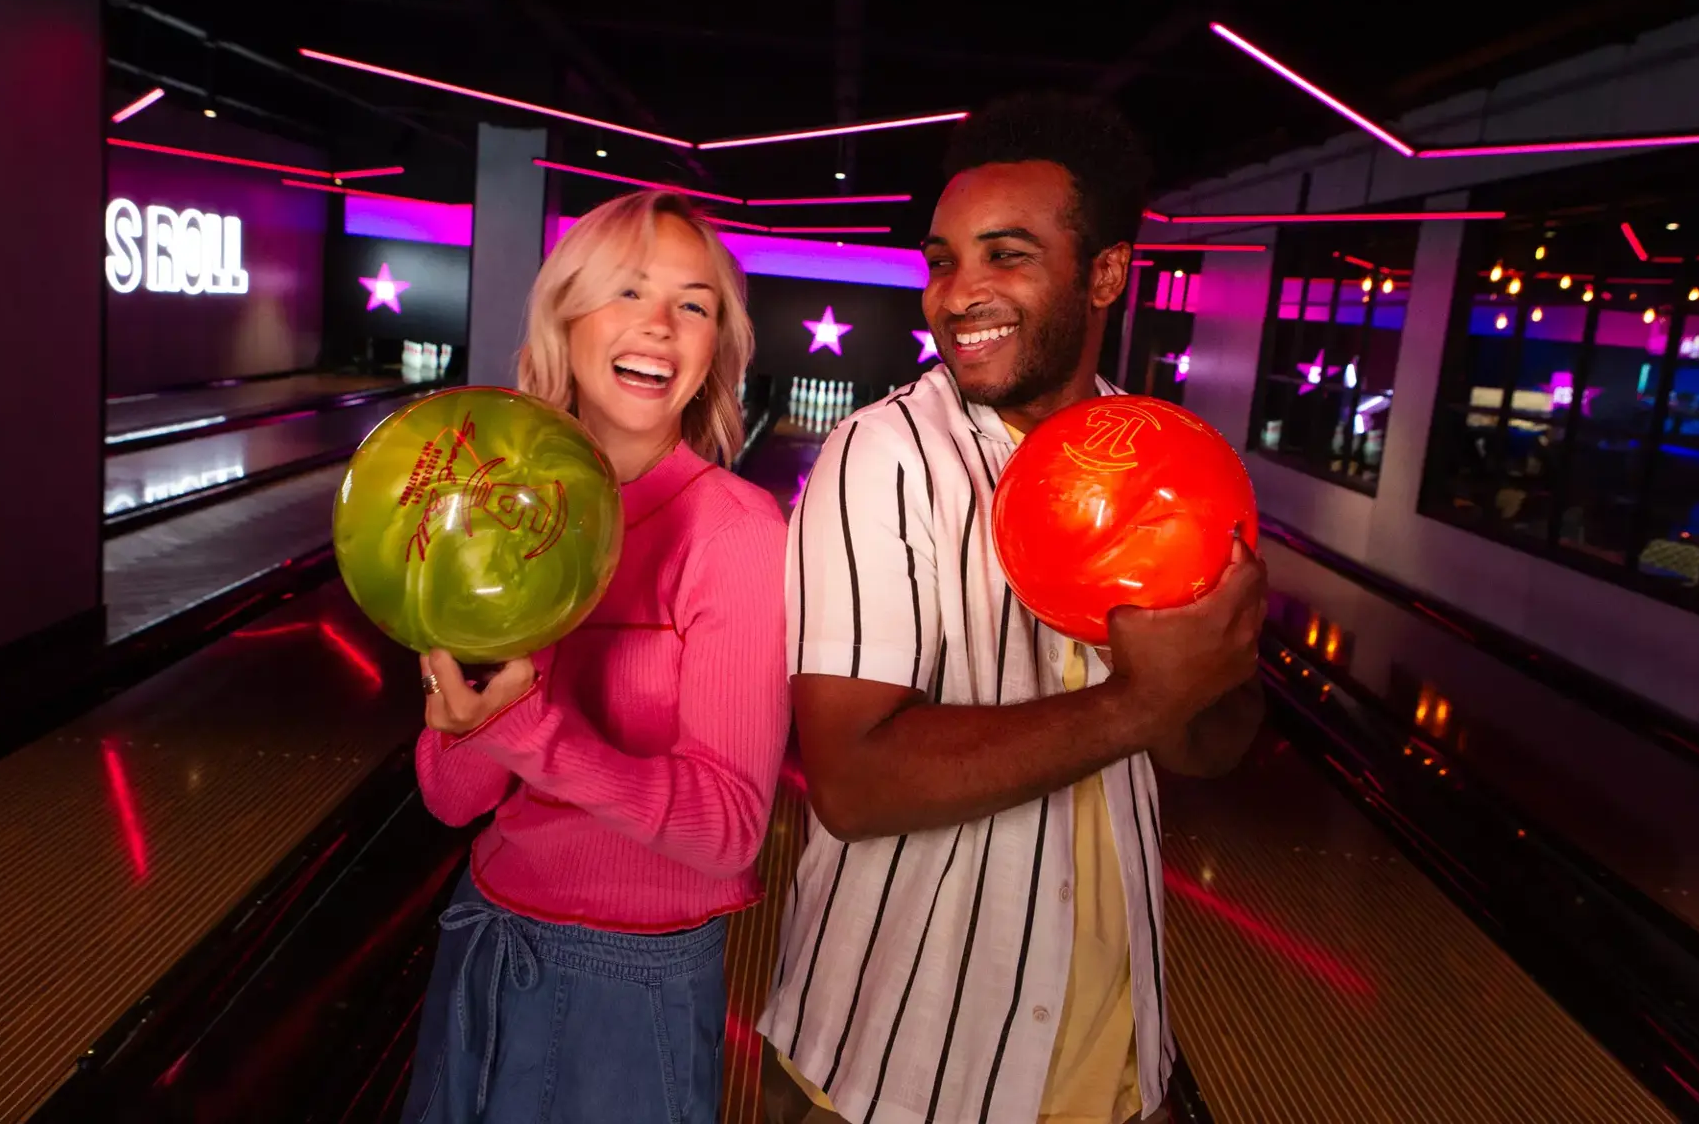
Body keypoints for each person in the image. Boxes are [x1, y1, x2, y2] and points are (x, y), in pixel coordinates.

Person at [758, 93, 1267, 1124]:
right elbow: (853, 781)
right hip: (895, 1073)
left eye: (1007, 255)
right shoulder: (886, 454)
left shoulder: (1168, 465)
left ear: (1107, 274)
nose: (958, 293)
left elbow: (1206, 745)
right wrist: (1135, 701)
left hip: (1116, 1063)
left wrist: (1213, 675)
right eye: (944, 259)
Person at [402, 190, 791, 1124]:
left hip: (632, 979)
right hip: (487, 929)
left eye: (694, 304)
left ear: (714, 349)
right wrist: (469, 723)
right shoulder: (499, 512)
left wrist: (526, 728)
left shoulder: (735, 533)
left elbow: (731, 828)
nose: (659, 323)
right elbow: (454, 797)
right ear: (566, 318)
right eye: (625, 291)